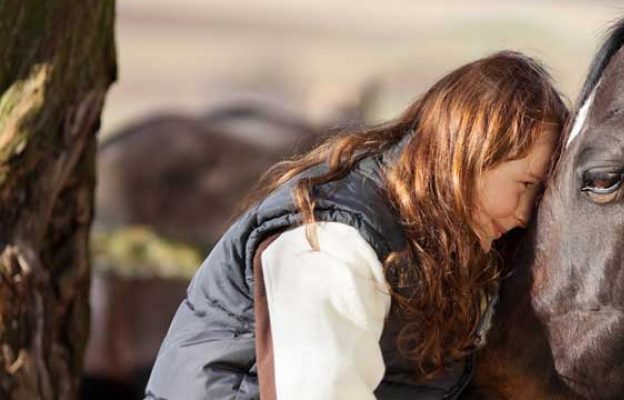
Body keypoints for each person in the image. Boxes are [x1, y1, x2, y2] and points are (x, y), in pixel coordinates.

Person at [144, 51, 568, 400]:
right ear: (469, 157)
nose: (525, 214)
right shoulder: (331, 239)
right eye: (525, 185)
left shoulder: (443, 244)